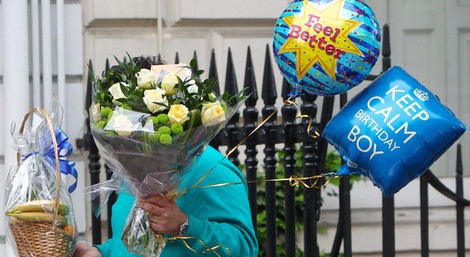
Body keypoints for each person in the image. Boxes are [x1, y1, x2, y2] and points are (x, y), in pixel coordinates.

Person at [73, 145, 259, 257]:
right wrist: (102, 252)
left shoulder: (213, 168)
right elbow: (132, 241)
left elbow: (245, 248)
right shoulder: (134, 165)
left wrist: (184, 225)